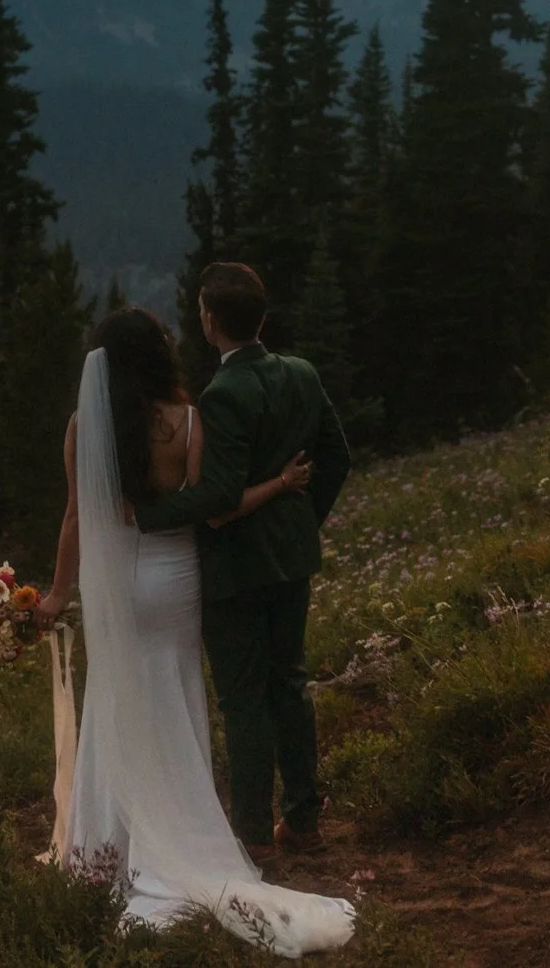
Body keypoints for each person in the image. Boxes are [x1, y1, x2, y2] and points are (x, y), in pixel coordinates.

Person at [33, 305, 354, 954]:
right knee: (176, 693)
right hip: (175, 576)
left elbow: (75, 519)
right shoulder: (186, 420)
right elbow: (207, 506)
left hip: (114, 582)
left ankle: (105, 845)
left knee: (115, 697)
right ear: (157, 355)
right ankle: (181, 826)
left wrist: (57, 592)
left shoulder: (84, 425)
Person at [133, 263, 351, 859]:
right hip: (292, 559)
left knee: (243, 699)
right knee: (291, 684)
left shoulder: (223, 394)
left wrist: (141, 518)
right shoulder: (301, 374)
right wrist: (303, 521)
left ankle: (253, 836)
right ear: (261, 316)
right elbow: (338, 455)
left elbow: (219, 494)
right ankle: (303, 821)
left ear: (209, 321)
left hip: (234, 571)